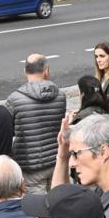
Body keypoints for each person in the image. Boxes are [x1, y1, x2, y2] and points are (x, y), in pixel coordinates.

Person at [6, 54, 67, 194]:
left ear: (25, 71)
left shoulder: (15, 99)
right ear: (46, 70)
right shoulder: (60, 96)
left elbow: (11, 130)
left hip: (30, 165)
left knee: (39, 211)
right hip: (56, 160)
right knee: (59, 201)